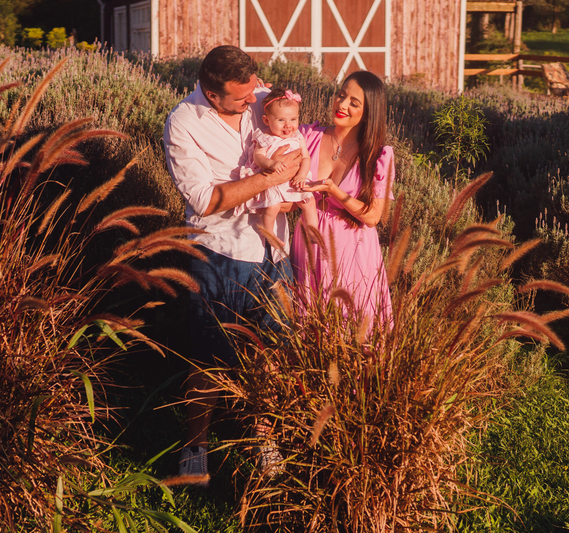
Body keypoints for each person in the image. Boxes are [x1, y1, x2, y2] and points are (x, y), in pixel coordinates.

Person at [163, 45, 302, 486]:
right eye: (241, 98)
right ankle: (195, 447)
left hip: (273, 251)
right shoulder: (183, 122)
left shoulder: (260, 96)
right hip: (220, 253)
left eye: (253, 92)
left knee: (272, 351)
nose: (252, 101)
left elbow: (296, 142)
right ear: (210, 92)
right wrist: (267, 180)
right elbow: (205, 201)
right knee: (209, 357)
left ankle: (264, 438)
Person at [293, 71, 395, 330]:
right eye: (341, 95)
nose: (342, 105)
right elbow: (271, 128)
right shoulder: (308, 136)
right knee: (308, 323)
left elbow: (373, 217)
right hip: (309, 236)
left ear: (369, 111)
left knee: (353, 324)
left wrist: (334, 191)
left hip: (353, 246)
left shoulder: (379, 155)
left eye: (353, 102)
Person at [244, 86, 319, 257]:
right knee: (273, 206)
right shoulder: (265, 137)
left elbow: (306, 158)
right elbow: (258, 157)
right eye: (281, 120)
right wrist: (271, 163)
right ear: (266, 120)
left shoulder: (298, 137)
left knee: (309, 202)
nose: (288, 125)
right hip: (274, 180)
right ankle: (268, 233)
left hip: (294, 179)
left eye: (293, 119)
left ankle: (313, 231)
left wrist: (301, 175)